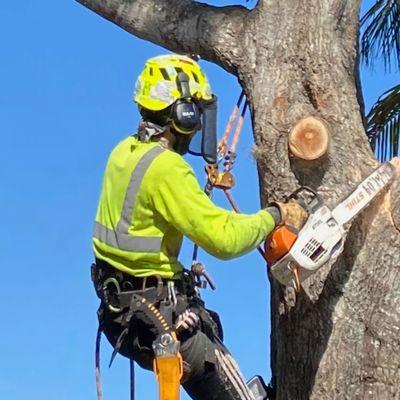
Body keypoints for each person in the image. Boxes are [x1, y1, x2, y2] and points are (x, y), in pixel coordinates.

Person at [91, 54, 307, 400]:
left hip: (123, 316)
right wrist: (276, 216)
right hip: (158, 318)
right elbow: (224, 238)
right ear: (183, 114)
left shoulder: (123, 153)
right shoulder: (167, 169)